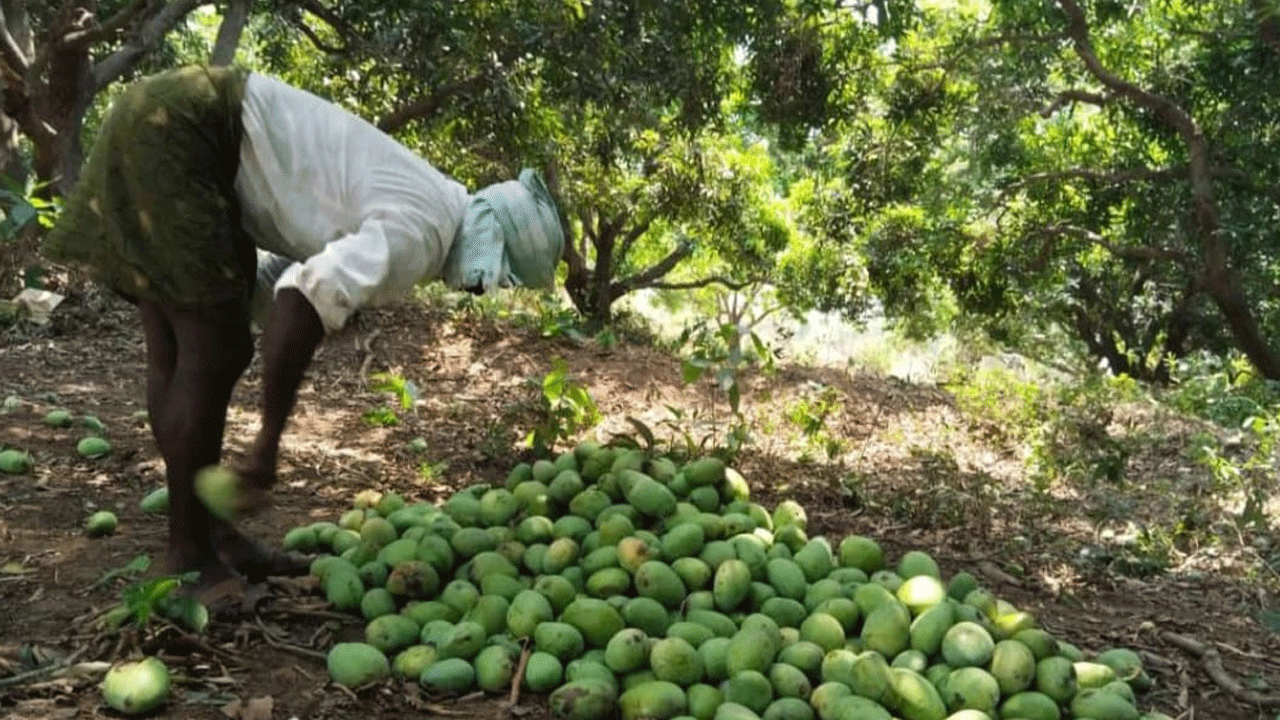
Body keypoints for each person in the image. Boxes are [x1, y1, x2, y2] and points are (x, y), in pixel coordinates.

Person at [45, 65, 564, 604]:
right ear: (487, 237)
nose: (480, 290)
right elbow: (301, 298)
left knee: (175, 348)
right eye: (497, 273)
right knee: (213, 349)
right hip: (190, 128)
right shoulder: (426, 230)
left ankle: (210, 538)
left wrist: (318, 316)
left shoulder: (431, 200)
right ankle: (188, 558)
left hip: (170, 115)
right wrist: (267, 445)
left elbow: (288, 274)